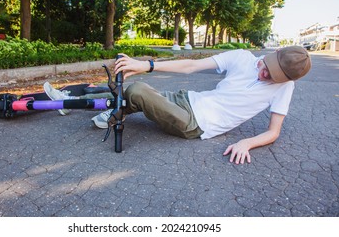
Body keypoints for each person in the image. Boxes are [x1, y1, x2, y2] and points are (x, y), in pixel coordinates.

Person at [44, 46, 311, 165]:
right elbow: (192, 66)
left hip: (194, 124)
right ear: (272, 56)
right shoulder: (241, 58)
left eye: (274, 78)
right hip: (186, 99)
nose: (265, 76)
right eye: (268, 69)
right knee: (129, 90)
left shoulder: (284, 86)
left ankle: (108, 109)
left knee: (136, 91)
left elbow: (273, 131)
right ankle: (70, 100)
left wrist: (247, 143)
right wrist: (147, 65)